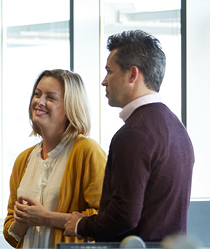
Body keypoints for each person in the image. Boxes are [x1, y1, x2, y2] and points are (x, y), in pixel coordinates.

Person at [64, 30, 194, 242]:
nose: (104, 81)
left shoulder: (134, 134)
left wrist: (81, 224)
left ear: (132, 74)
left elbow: (124, 217)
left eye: (109, 71)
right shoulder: (177, 129)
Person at [3, 69, 107, 248]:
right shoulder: (23, 159)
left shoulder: (88, 151)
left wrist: (46, 218)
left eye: (50, 98)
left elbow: (105, 220)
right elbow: (11, 236)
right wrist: (21, 221)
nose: (39, 102)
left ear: (70, 107)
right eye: (37, 94)